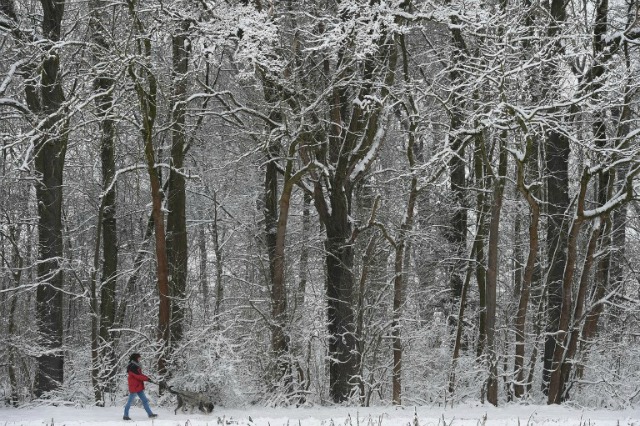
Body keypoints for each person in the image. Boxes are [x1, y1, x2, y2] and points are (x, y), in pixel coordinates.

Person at [123, 353, 158, 420]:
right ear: (136, 358)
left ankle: (150, 414)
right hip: (134, 387)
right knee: (130, 402)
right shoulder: (133, 366)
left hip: (138, 386)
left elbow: (140, 374)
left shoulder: (136, 365)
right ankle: (125, 415)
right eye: (139, 358)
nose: (140, 359)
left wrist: (148, 378)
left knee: (145, 400)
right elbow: (138, 376)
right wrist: (147, 379)